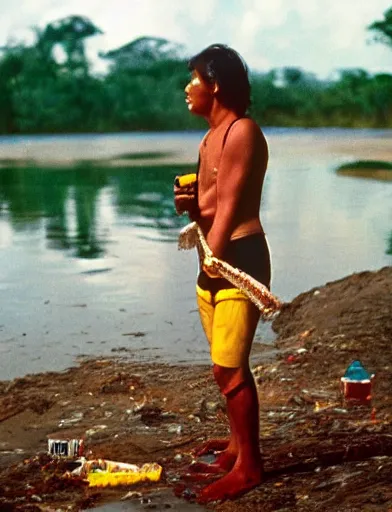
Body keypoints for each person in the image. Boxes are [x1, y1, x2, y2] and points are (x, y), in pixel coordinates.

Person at [174, 44, 271, 502]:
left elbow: (229, 209)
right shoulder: (207, 139)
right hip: (211, 262)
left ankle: (250, 466)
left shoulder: (242, 132)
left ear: (214, 84)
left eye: (192, 79)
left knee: (226, 367)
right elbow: (209, 207)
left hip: (237, 260)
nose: (187, 89)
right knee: (227, 368)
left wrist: (215, 264)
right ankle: (237, 444)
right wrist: (189, 205)